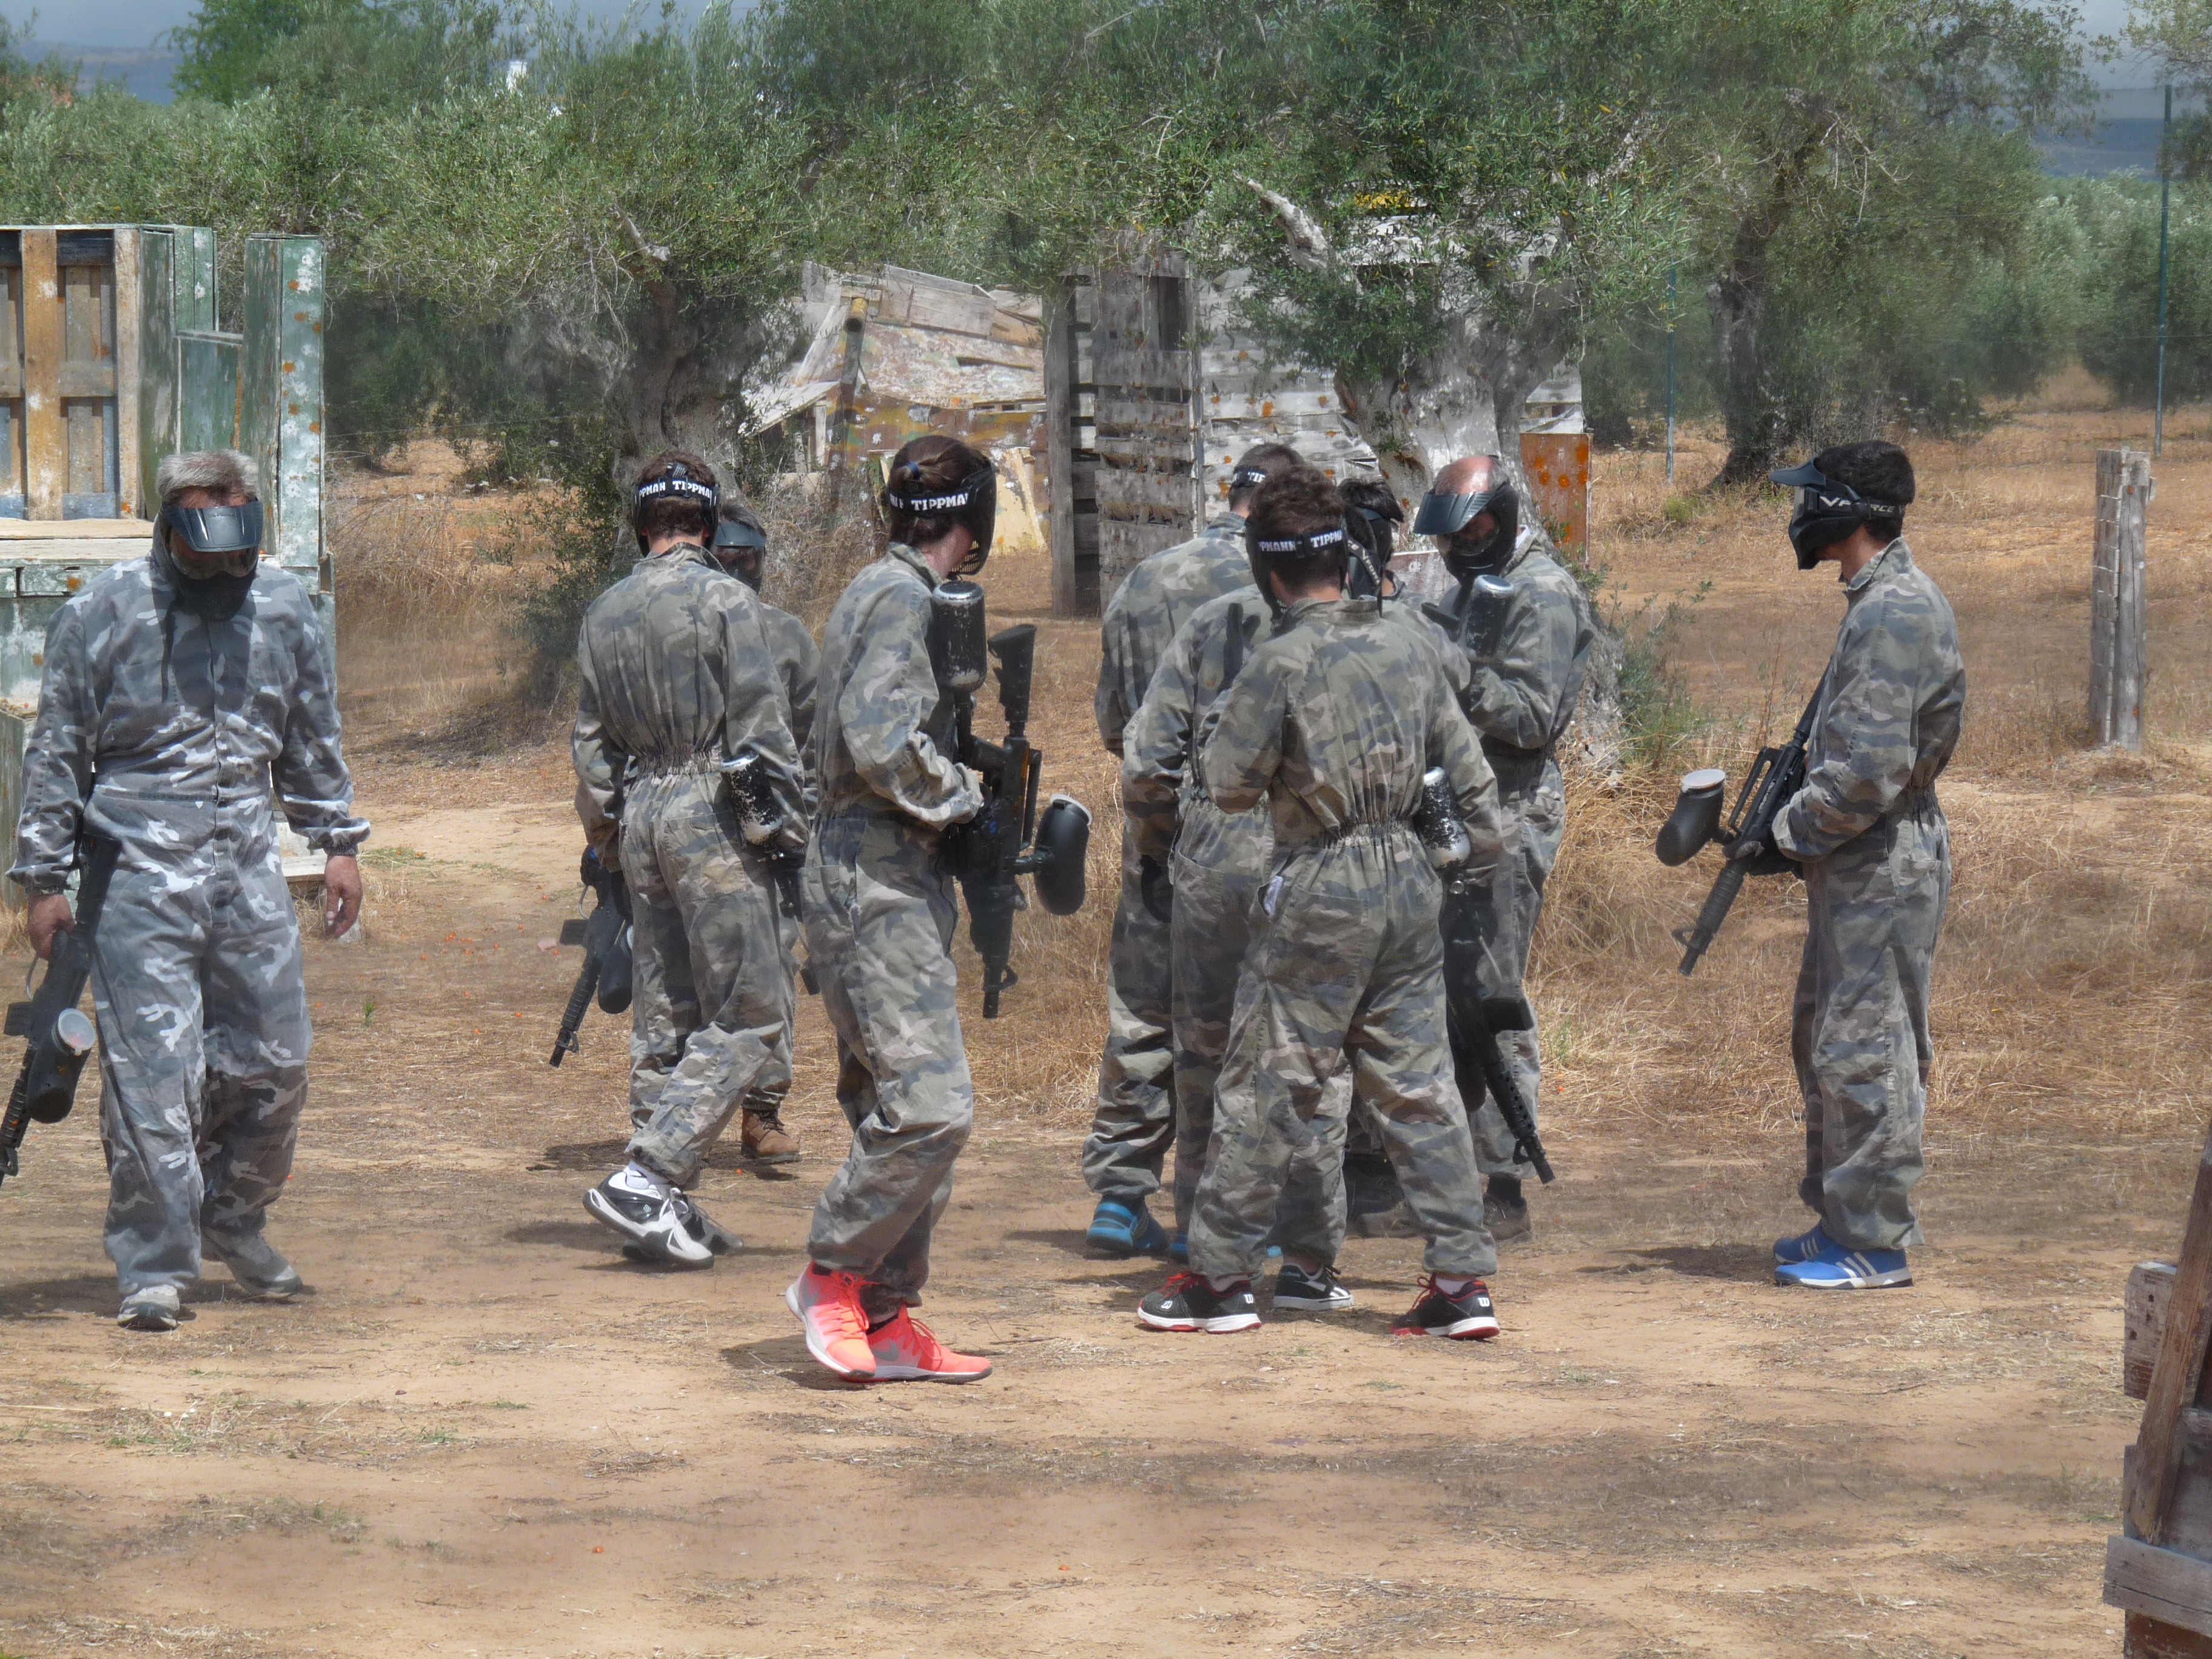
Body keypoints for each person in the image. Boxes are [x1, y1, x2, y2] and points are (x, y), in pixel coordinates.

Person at [1137, 466, 1509, 1339]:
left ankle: (1220, 1280)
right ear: (1345, 559)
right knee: (1419, 1089)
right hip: (1411, 881)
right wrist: (1453, 869)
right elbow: (1477, 793)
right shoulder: (1412, 645)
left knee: (1265, 1086)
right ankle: (1462, 1283)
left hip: (1321, 880)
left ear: (1268, 571)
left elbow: (1229, 786)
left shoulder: (1280, 662)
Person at [10, 448, 367, 1332]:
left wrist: (337, 845)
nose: (226, 565)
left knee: (275, 1061)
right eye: (208, 548)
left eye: (240, 545)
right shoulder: (100, 613)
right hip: (133, 875)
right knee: (153, 1080)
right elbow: (58, 752)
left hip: (247, 865)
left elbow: (311, 736)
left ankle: (231, 1217)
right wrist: (42, 881)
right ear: (171, 529)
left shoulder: (282, 607)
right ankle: (155, 1265)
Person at [784, 434, 998, 1383]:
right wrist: (964, 796)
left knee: (892, 1103)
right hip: (874, 867)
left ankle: (884, 1314)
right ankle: (831, 1276)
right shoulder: (904, 597)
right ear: (976, 516)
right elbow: (878, 739)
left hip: (878, 864)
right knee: (931, 1105)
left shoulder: (885, 588)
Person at [574, 453, 808, 1268]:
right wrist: (790, 838)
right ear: (706, 525)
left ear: (641, 524)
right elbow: (762, 730)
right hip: (713, 809)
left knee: (665, 1015)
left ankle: (656, 1206)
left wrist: (610, 841)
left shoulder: (603, 612)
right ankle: (652, 1172)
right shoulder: (726, 600)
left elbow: (591, 750)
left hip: (642, 809)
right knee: (752, 1008)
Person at [1082, 441, 1305, 1256]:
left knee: (1143, 1009)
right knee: (1243, 1028)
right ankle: (1240, 1211)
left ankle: (1120, 1195)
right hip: (1259, 840)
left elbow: (1119, 728)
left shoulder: (1148, 580)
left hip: (1159, 828)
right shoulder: (1293, 587)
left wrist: (1158, 820)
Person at [1755, 441, 1963, 1289]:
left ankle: (1875, 1246)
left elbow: (1869, 774)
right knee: (1826, 1037)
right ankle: (1840, 1220)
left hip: (1878, 854)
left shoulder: (1893, 611)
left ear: (1845, 509)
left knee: (1865, 1047)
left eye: (1811, 499)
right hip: (1857, 857)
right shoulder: (1876, 599)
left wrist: (1785, 833)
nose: (1800, 514)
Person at [1123, 580, 1347, 1304]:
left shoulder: (1211, 623)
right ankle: (1307, 1262)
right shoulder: (1368, 627)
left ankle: (1205, 1249)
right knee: (1313, 1063)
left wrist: (1163, 848)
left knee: (1205, 1058)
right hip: (1316, 857)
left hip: (1216, 855)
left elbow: (1148, 765)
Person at [1401, 454, 1595, 1243]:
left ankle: (1503, 1183)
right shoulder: (1476, 584)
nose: (1456, 547)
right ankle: (1435, 1169)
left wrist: (1447, 671)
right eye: (1448, 536)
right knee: (1432, 991)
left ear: (1501, 518)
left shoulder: (1542, 594)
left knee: (1492, 994)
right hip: (1453, 806)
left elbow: (1530, 719)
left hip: (1507, 814)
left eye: (1470, 531)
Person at [706, 499, 817, 1167]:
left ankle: (762, 1112)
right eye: (727, 557)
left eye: (749, 558)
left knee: (774, 968)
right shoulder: (681, 631)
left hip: (768, 830)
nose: (739, 570)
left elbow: (814, 738)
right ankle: (675, 1120)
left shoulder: (786, 636)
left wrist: (802, 827)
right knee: (684, 976)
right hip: (694, 823)